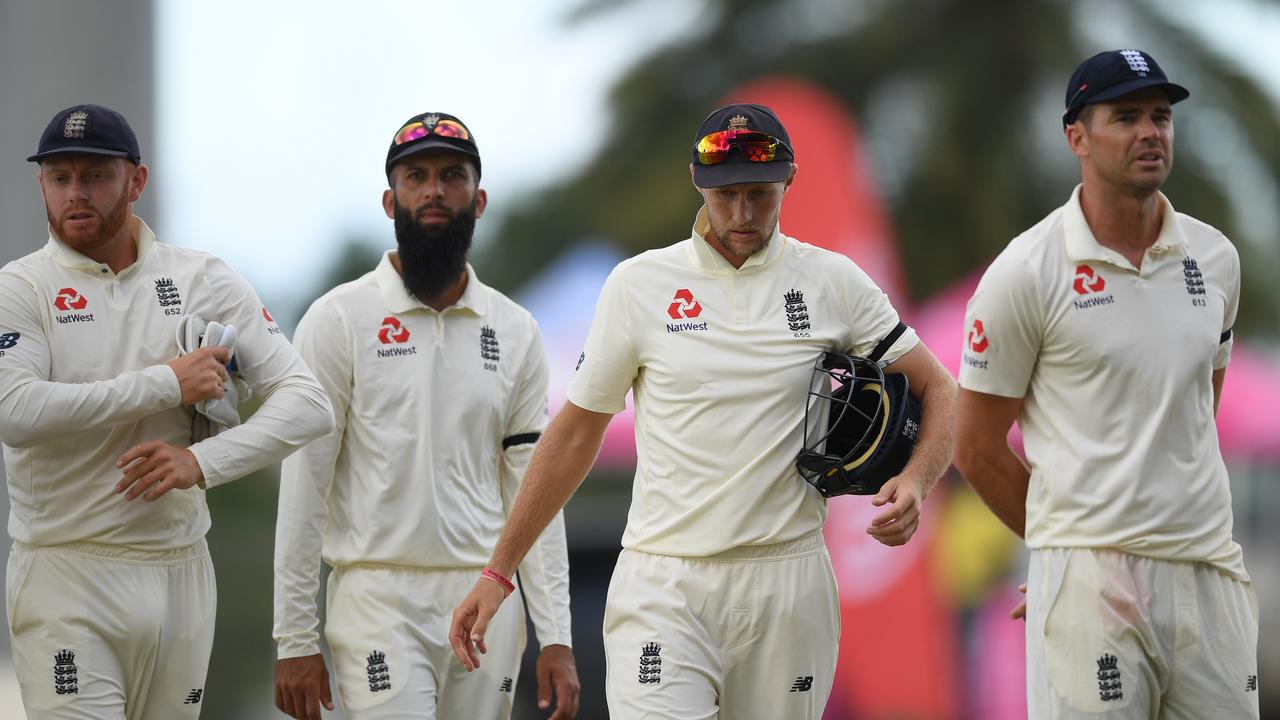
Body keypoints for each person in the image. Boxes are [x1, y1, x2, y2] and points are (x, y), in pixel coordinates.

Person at [450, 103, 957, 719]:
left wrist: (917, 480)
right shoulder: (639, 285)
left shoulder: (834, 281)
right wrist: (499, 573)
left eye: (760, 195)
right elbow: (575, 433)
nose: (743, 215)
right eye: (727, 195)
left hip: (789, 584)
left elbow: (940, 390)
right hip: (664, 585)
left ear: (788, 181)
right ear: (699, 183)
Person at [0, 104, 334, 719]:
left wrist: (200, 462)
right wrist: (162, 384)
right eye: (59, 177)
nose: (76, 194)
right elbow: (15, 412)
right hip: (66, 573)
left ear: (136, 180)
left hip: (182, 573)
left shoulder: (203, 277)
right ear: (41, 183)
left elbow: (308, 403)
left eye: (95, 176)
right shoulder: (22, 288)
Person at [953, 49, 1260, 718]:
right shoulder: (1025, 274)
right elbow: (973, 446)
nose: (1151, 132)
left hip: (1209, 572)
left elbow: (1197, 406)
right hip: (1092, 578)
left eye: (1160, 116)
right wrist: (1064, 549)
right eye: (1126, 117)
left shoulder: (1215, 259)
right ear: (1077, 137)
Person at [272, 111, 579, 720]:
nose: (435, 190)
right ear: (391, 200)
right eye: (417, 176)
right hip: (376, 596)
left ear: (479, 199)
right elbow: (304, 484)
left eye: (452, 175)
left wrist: (558, 634)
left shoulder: (514, 329)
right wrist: (294, 638)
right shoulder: (338, 320)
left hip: (487, 590)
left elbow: (535, 489)